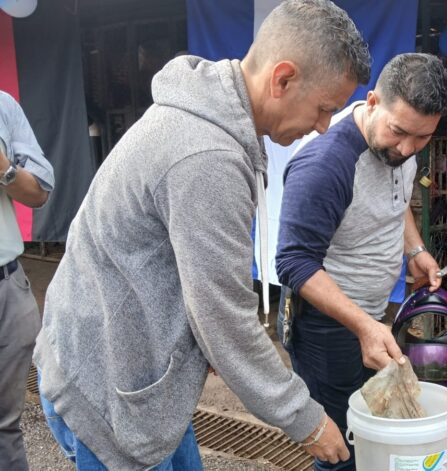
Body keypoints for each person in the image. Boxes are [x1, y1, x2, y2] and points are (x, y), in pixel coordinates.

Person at [33, 1, 370, 469]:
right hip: (104, 392)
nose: (322, 125)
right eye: (324, 108)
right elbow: (226, 320)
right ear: (283, 79)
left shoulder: (211, 117)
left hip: (140, 377)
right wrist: (308, 420)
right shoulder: (206, 156)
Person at [275, 52, 447, 470]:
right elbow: (294, 263)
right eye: (399, 132)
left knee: (374, 431)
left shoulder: (400, 145)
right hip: (326, 326)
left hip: (369, 318)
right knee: (341, 447)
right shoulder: (324, 164)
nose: (407, 149)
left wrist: (415, 250)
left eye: (422, 138)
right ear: (372, 102)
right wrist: (362, 327)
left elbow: (397, 202)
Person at [0, 91, 55, 471]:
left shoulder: (3, 106)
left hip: (8, 287)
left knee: (5, 426)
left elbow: (39, 192)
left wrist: (4, 169)